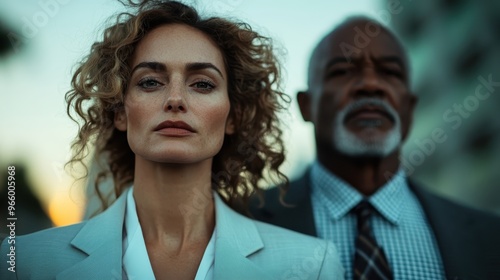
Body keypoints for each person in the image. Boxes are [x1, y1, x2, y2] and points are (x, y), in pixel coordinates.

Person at [0, 1, 345, 279]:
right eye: (150, 81)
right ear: (120, 111)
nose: (176, 99)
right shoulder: (22, 262)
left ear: (233, 116)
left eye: (203, 84)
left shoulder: (311, 266)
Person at [251, 16, 500, 280]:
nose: (370, 85)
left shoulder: (490, 237)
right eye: (342, 71)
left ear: (410, 108)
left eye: (390, 73)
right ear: (307, 105)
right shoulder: (241, 220)